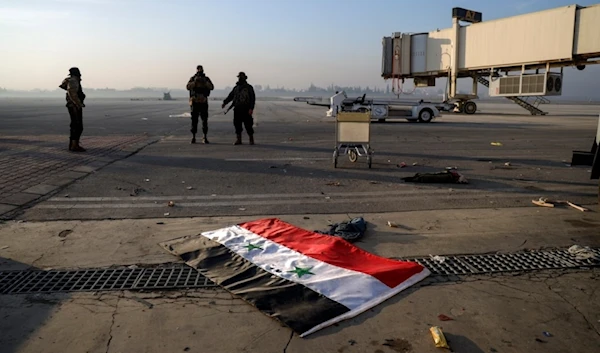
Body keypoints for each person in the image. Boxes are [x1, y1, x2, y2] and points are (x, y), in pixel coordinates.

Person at [222, 72, 256, 145]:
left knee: (248, 125)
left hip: (246, 109)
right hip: (237, 109)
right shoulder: (236, 88)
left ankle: (251, 138)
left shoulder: (249, 87)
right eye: (239, 77)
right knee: (237, 125)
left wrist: (251, 108)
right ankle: (239, 139)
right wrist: (225, 102)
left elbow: (252, 99)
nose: (240, 78)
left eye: (241, 77)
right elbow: (230, 96)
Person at [59, 67, 86, 152]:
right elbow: (72, 93)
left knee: (75, 125)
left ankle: (74, 144)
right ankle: (74, 145)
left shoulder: (70, 80)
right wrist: (78, 103)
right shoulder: (73, 81)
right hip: (74, 106)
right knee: (77, 125)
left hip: (72, 105)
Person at [186, 65, 214, 144]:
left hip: (203, 101)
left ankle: (204, 136)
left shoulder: (206, 79)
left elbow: (211, 87)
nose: (199, 70)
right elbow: (188, 87)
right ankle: (193, 137)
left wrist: (204, 83)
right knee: (194, 120)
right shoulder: (193, 78)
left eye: (200, 69)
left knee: (204, 120)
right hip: (195, 101)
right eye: (198, 69)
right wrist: (195, 82)